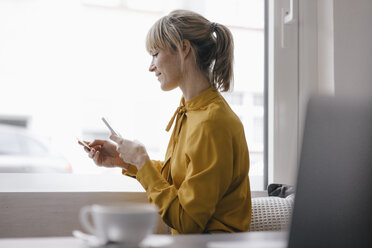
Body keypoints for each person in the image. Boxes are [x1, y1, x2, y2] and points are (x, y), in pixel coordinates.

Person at [80, 9, 251, 234]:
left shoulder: (211, 123)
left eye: (154, 53)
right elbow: (179, 180)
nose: (151, 66)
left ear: (184, 48)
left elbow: (187, 221)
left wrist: (142, 162)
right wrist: (126, 160)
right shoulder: (191, 112)